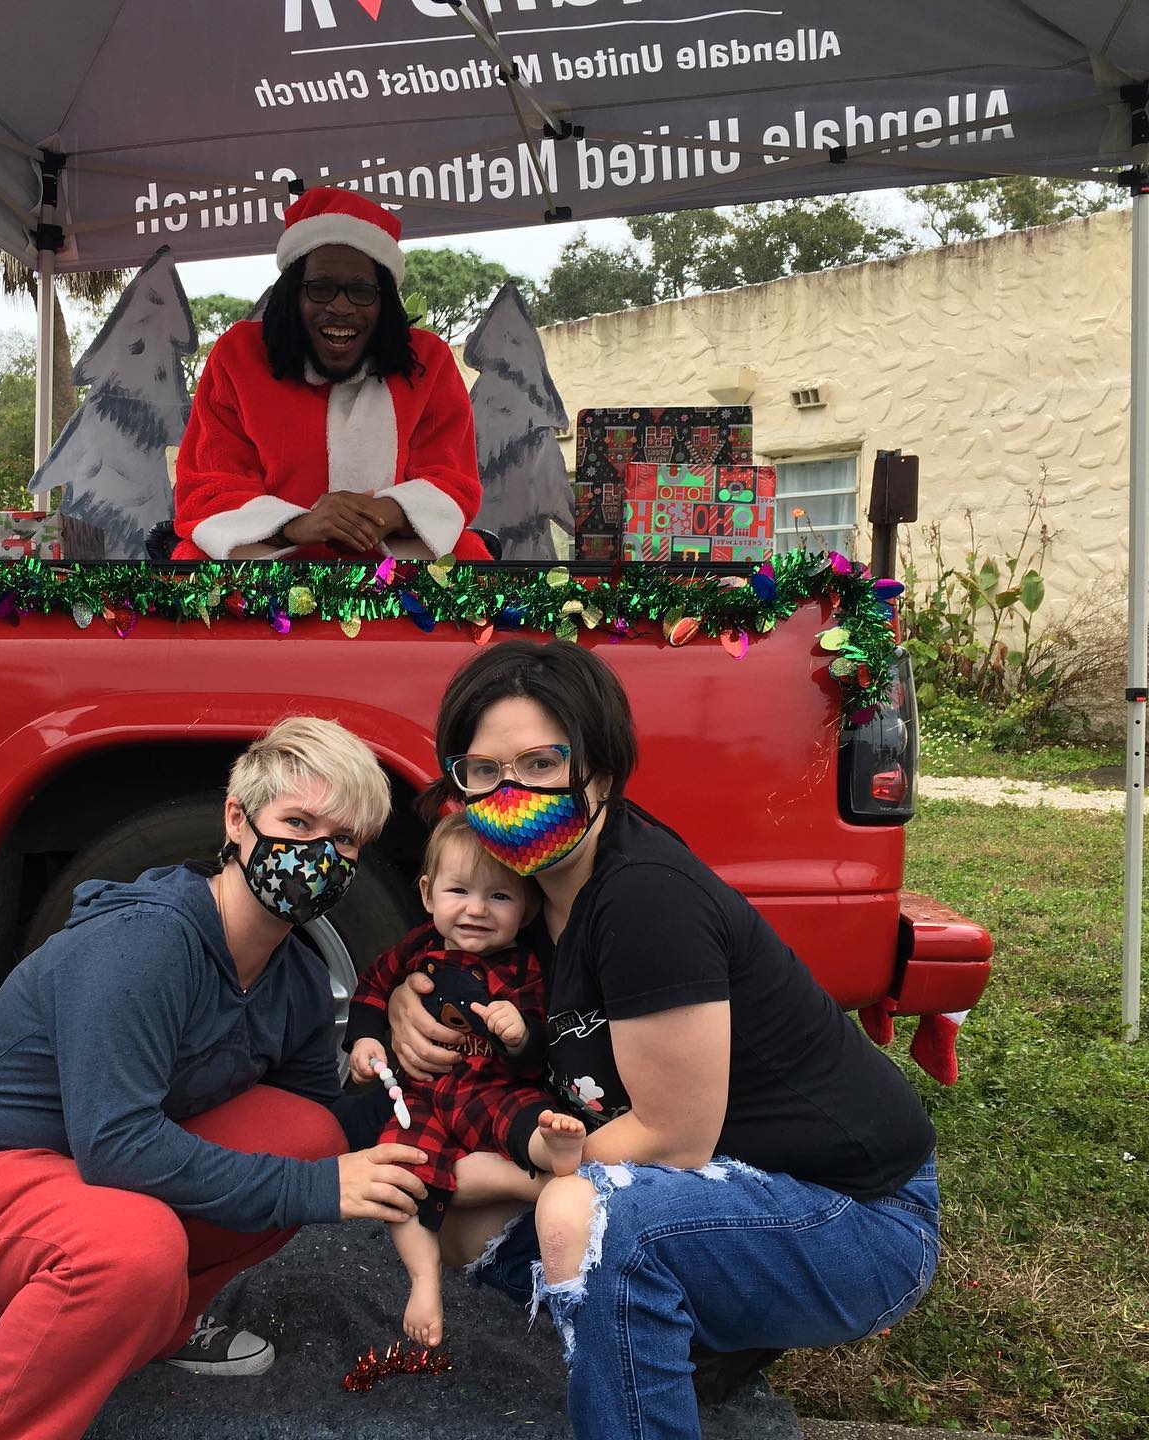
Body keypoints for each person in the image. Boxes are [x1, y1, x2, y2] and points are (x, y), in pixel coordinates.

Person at [384, 641, 941, 1440]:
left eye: (542, 764)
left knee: (582, 1217)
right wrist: (409, 996)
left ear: (600, 775)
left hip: (858, 1216)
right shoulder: (534, 898)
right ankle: (696, 1327)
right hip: (730, 1190)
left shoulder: (643, 900)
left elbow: (672, 1140)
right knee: (464, 1222)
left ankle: (669, 1357)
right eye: (482, 771)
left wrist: (511, 1174)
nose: (510, 795)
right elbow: (444, 967)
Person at [0, 717, 429, 1440]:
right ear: (237, 818)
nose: (319, 855)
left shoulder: (293, 976)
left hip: (75, 1175)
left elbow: (313, 1133)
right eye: (298, 822)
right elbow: (117, 1149)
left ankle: (153, 1324)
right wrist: (321, 1189)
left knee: (307, 1134)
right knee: (133, 1247)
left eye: (344, 840)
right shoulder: (144, 942)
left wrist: (421, 1082)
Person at [344, 812, 586, 1348]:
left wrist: (520, 1034)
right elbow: (371, 989)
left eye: (499, 897)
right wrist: (365, 1040)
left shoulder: (526, 968)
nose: (476, 909)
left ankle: (556, 1155)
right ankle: (424, 1281)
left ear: (526, 908)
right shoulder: (416, 949)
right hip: (423, 1096)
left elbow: (539, 1054)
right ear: (429, 894)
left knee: (525, 1117)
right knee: (404, 1173)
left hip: (490, 1089)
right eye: (459, 891)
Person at [170, 187, 492, 564]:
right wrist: (297, 525)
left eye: (361, 290)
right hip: (269, 566)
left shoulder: (428, 360)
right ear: (293, 295)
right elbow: (208, 486)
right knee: (189, 564)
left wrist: (387, 512)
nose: (340, 306)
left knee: (471, 560)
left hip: (397, 568)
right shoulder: (238, 356)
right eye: (320, 288)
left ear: (384, 301)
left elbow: (451, 478)